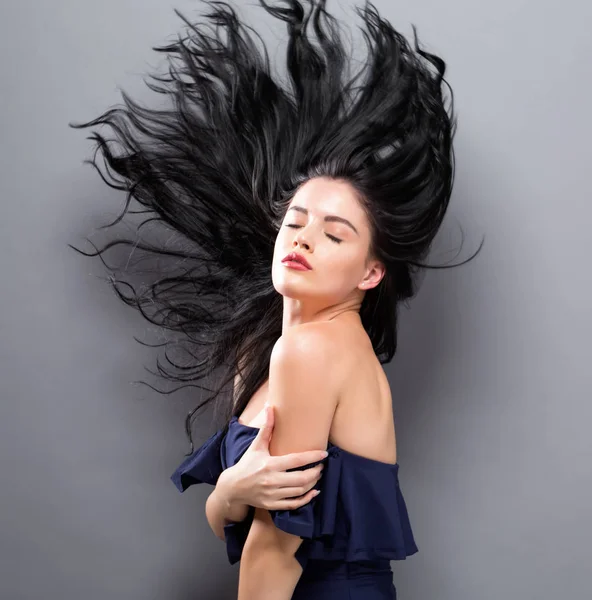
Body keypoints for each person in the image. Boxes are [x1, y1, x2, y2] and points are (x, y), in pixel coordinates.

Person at [71, 1, 481, 597]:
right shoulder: (266, 348)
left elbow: (273, 554)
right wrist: (231, 493)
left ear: (370, 273)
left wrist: (230, 500)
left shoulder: (312, 353)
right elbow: (232, 519)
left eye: (334, 233)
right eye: (296, 222)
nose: (305, 239)